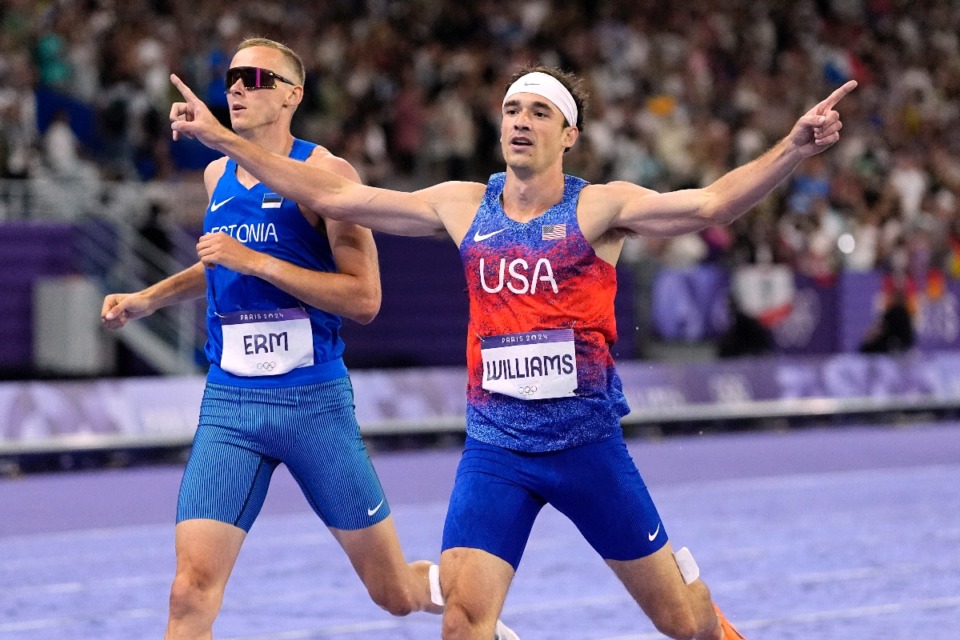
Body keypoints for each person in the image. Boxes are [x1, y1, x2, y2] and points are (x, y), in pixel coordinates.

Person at [168, 62, 856, 639]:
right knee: (464, 621)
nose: (520, 121)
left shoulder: (600, 208)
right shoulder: (462, 204)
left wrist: (793, 147)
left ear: (569, 135)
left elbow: (709, 206)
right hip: (495, 452)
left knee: (683, 621)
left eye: (538, 112)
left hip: (586, 449)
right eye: (510, 110)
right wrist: (229, 142)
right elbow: (336, 194)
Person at [102, 38, 520, 640]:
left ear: (293, 95)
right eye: (232, 77)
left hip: (312, 407)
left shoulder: (327, 175)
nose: (239, 87)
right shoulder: (218, 171)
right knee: (188, 591)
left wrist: (259, 264)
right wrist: (149, 299)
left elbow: (364, 298)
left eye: (256, 78)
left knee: (394, 593)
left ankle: (471, 609)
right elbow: (220, 261)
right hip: (231, 406)